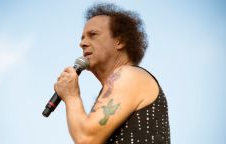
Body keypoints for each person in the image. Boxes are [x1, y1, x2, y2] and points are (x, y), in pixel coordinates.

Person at [55, 3, 170, 144]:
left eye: (93, 35)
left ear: (120, 41)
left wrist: (71, 96)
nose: (83, 43)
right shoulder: (122, 82)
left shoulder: (129, 75)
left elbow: (86, 138)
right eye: (82, 38)